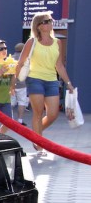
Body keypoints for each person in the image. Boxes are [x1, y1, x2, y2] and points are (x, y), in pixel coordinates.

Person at [12, 12, 75, 154]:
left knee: (53, 114)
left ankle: (36, 134)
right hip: (35, 79)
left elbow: (59, 65)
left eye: (51, 20)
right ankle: (39, 144)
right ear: (39, 26)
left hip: (52, 80)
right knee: (38, 112)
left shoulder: (57, 42)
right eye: (46, 21)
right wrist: (14, 82)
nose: (50, 23)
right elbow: (21, 62)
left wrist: (68, 83)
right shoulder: (31, 42)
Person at [10, 42, 28, 125]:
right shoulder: (25, 59)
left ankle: (10, 120)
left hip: (11, 84)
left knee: (10, 103)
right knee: (22, 102)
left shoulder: (11, 59)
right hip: (22, 84)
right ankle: (20, 120)